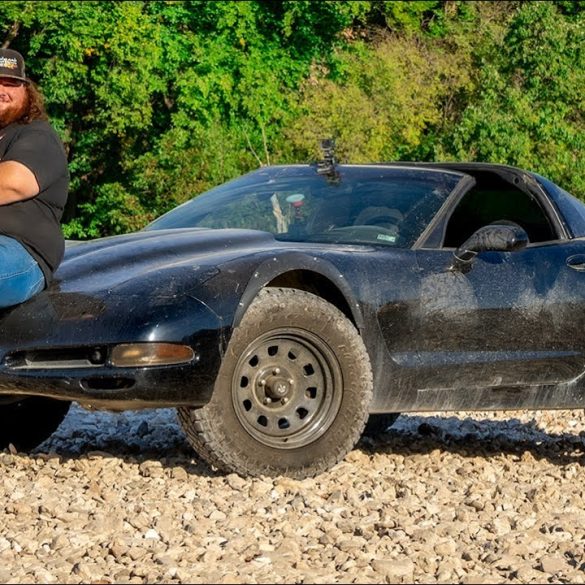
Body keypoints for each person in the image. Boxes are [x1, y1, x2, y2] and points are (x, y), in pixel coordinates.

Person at [0, 47, 69, 309]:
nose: (2, 90)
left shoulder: (38, 136)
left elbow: (12, 183)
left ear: (27, 92)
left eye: (11, 83)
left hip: (18, 250)